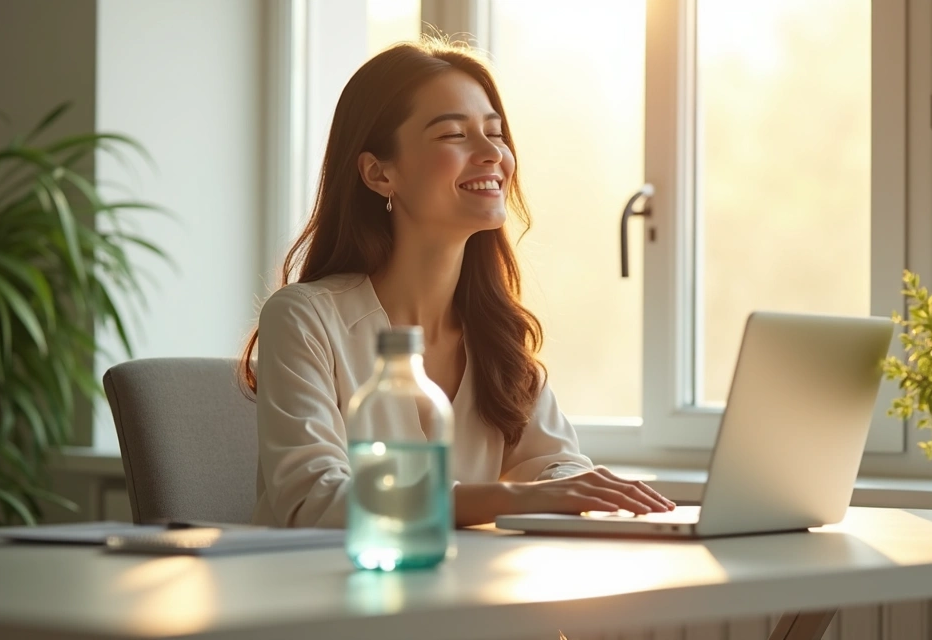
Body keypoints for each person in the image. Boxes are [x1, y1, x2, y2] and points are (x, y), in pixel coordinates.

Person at [240, 38, 675, 528]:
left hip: (462, 595)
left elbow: (555, 463)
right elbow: (315, 501)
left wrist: (564, 484)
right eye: (453, 135)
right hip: (323, 594)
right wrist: (511, 499)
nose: (493, 153)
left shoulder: (493, 333)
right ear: (379, 173)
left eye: (495, 132)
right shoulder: (306, 318)